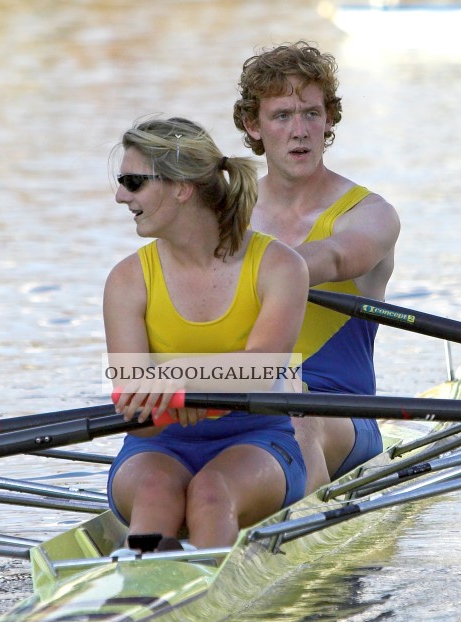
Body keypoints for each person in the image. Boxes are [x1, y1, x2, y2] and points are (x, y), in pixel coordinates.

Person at [103, 116, 309, 550]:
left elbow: (262, 369)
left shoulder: (280, 266)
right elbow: (136, 419)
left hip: (258, 440)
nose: (121, 196)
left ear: (182, 187)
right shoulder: (127, 281)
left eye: (134, 182)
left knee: (212, 494)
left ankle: (207, 589)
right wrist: (167, 401)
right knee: (157, 493)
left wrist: (183, 382)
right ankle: (140, 591)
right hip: (158, 447)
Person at [233, 41, 400, 493]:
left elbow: (336, 257)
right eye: (282, 116)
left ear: (328, 120)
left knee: (297, 415)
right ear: (254, 125)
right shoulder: (226, 216)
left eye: (310, 113)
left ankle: (300, 537)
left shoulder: (369, 214)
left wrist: (246, 270)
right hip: (239, 399)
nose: (300, 130)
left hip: (341, 417)